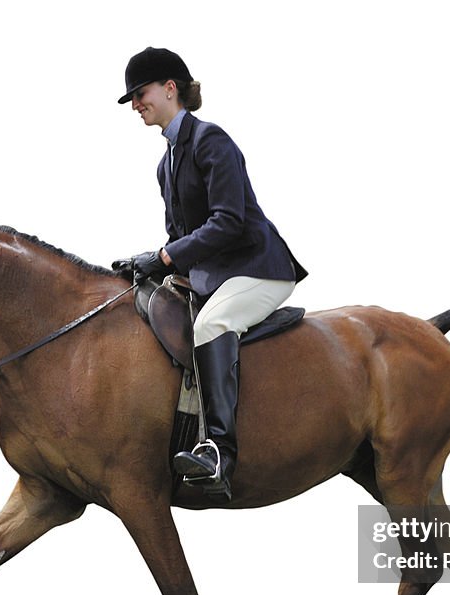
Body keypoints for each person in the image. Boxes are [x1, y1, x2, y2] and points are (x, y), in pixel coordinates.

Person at [113, 47, 307, 500]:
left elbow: (228, 222)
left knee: (212, 323)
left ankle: (219, 451)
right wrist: (152, 266)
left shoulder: (210, 141)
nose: (136, 104)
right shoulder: (166, 165)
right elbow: (181, 239)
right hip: (216, 276)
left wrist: (163, 257)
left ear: (169, 88)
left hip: (257, 267)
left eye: (139, 94)